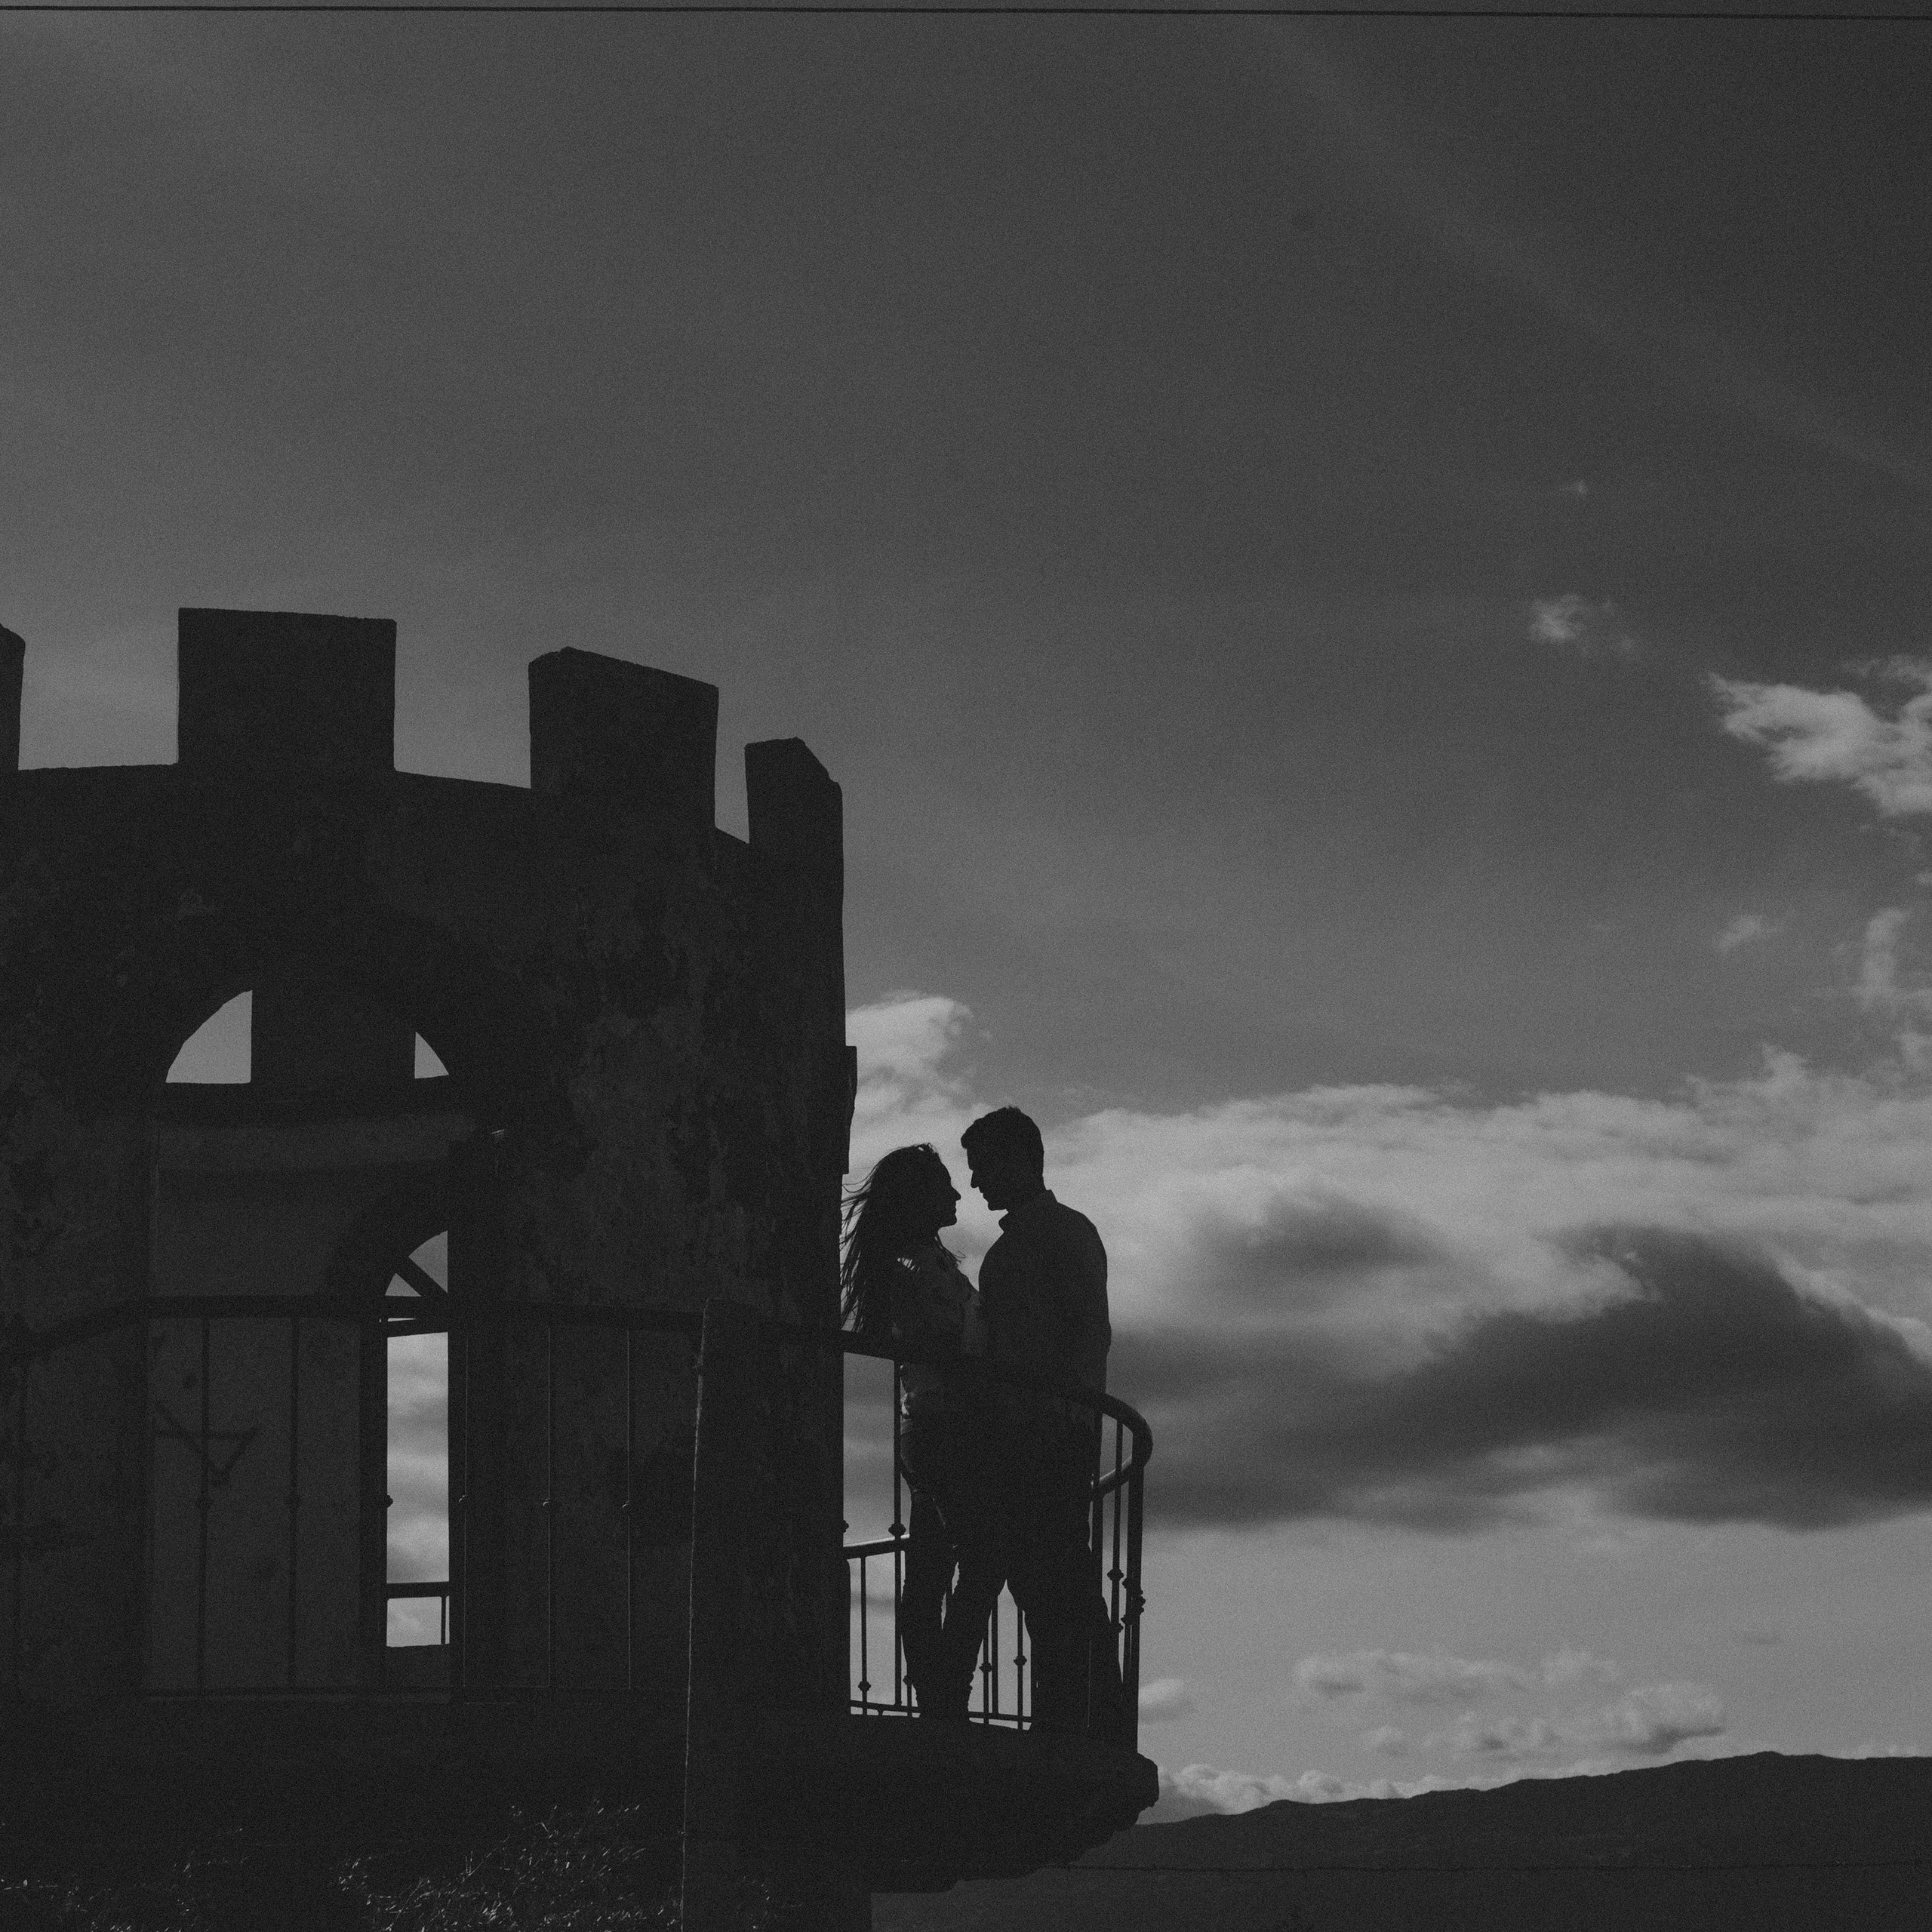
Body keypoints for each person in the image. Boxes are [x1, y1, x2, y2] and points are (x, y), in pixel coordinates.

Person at [961, 1105, 1125, 1740]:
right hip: (1049, 1432)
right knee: (1056, 1580)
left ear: (1018, 1161)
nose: (975, 1184)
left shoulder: (1045, 1240)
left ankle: (1078, 1717)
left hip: (1044, 1436)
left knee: (1054, 1581)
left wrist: (1057, 1413)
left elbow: (1074, 1336)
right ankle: (1083, 1715)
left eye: (981, 1168)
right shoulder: (1053, 1237)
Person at [840, 1143, 1004, 1721]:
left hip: (932, 1428)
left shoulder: (921, 1265)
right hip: (943, 1429)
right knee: (979, 1560)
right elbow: (947, 1351)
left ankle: (939, 1692)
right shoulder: (917, 1270)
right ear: (920, 1199)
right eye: (944, 1187)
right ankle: (944, 1692)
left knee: (933, 1566)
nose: (958, 1195)